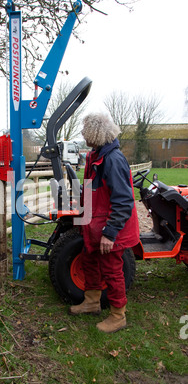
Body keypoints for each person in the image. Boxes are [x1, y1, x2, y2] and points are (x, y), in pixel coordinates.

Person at [69, 113, 140, 333]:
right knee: (89, 259)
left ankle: (118, 316)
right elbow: (93, 192)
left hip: (110, 227)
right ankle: (91, 302)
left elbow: (123, 200)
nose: (83, 134)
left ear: (96, 133)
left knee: (112, 270)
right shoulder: (96, 156)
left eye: (85, 130)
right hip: (95, 225)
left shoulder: (113, 160)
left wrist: (110, 233)